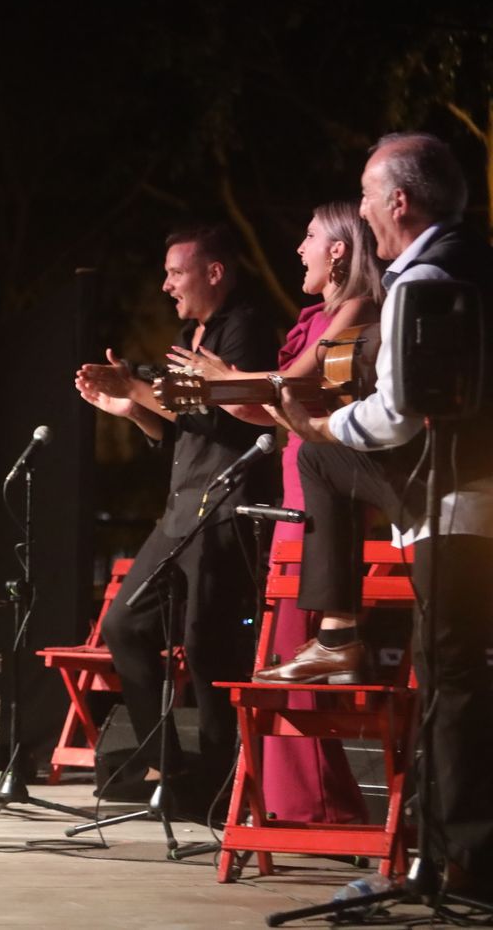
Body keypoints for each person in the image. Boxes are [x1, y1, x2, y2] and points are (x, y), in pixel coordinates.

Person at [258, 133, 493, 891]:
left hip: (454, 506)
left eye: (365, 194)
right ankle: (450, 853)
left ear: (399, 201)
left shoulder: (421, 280)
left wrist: (323, 425)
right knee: (462, 680)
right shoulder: (480, 262)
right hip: (472, 500)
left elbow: (395, 417)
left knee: (450, 681)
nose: (360, 209)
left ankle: (456, 863)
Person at [167, 201, 381, 825]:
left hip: (327, 496)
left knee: (294, 652)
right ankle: (296, 802)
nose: (299, 250)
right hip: (293, 493)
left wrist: (225, 376)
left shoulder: (360, 308)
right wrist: (176, 391)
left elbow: (289, 381)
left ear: (339, 250)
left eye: (310, 237)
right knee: (279, 652)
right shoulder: (315, 314)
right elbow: (262, 404)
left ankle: (316, 807)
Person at [75, 225, 279, 802]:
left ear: (215, 272)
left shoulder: (246, 327)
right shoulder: (195, 332)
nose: (166, 285)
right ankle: (167, 763)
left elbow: (225, 416)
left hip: (225, 506)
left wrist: (137, 387)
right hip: (183, 506)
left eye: (176, 273)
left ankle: (216, 780)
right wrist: (129, 405)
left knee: (209, 641)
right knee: (123, 624)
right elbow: (179, 429)